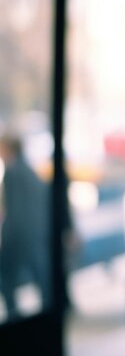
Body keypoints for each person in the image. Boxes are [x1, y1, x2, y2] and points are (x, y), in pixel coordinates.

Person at [0, 133, 51, 321]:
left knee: (6, 279)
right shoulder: (30, 171)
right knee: (41, 280)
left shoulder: (12, 172)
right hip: (34, 235)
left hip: (19, 236)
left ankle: (14, 319)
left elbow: (14, 211)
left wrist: (6, 238)